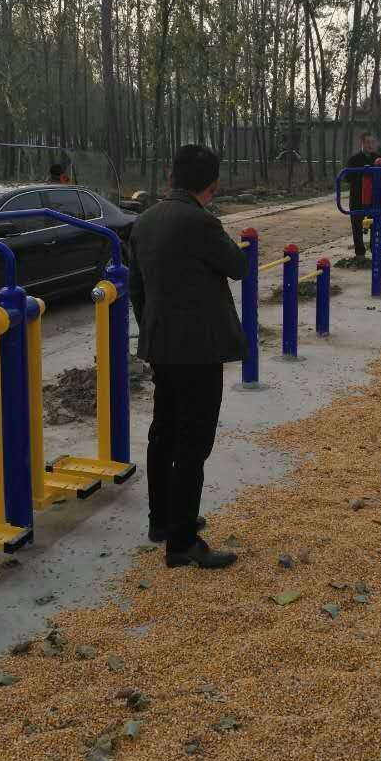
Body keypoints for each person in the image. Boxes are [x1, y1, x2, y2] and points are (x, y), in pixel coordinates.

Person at [128, 144, 249, 569]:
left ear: (170, 177)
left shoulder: (144, 221)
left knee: (163, 433)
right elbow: (238, 266)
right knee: (193, 443)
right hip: (199, 349)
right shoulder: (201, 221)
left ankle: (162, 520)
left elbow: (137, 287)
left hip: (161, 344)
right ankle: (182, 543)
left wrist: (152, 328)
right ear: (212, 185)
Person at [344, 132, 378, 257]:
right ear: (362, 143)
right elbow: (347, 177)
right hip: (357, 197)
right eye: (368, 142)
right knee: (356, 225)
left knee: (376, 223)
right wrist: (362, 177)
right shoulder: (354, 159)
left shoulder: (378, 159)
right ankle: (360, 253)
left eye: (372, 142)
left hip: (374, 197)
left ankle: (375, 249)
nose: (370, 145)